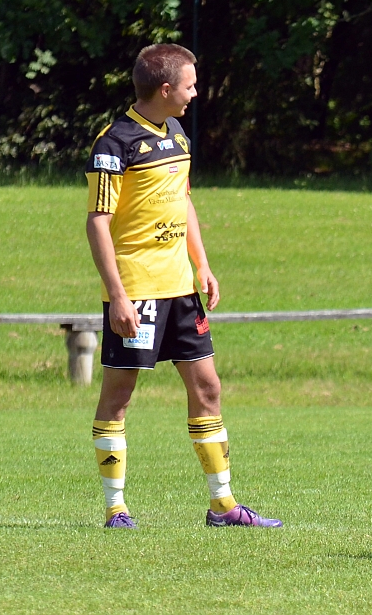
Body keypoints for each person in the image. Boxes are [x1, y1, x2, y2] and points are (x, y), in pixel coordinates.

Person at [85, 43, 281, 529]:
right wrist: (118, 296)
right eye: (190, 85)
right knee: (119, 395)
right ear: (166, 88)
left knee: (208, 386)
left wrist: (203, 264)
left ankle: (223, 505)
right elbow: (97, 222)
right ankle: (116, 507)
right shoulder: (114, 144)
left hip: (180, 289)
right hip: (138, 291)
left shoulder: (177, 133)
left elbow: (183, 201)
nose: (196, 94)